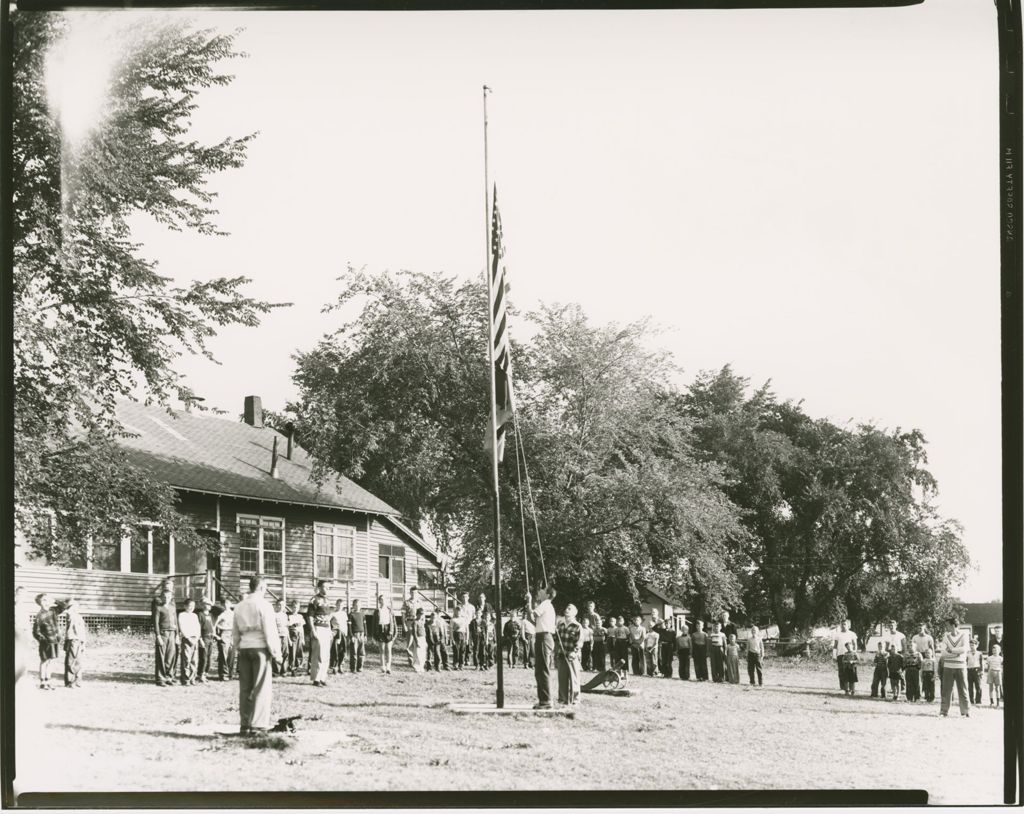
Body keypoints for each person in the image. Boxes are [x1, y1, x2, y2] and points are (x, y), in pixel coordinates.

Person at [231, 574, 283, 736]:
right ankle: (258, 725)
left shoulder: (239, 606)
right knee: (261, 687)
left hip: (245, 647)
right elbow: (270, 631)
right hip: (260, 647)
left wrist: (238, 646)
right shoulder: (265, 605)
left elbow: (235, 631)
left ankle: (245, 724)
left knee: (245, 688)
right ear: (261, 587)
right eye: (265, 588)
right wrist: (276, 653)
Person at [525, 583, 557, 710]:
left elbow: (532, 615)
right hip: (541, 637)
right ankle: (543, 700)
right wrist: (529, 604)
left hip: (544, 638)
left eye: (543, 590)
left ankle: (546, 701)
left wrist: (529, 601)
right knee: (539, 670)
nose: (540, 591)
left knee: (543, 670)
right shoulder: (545, 605)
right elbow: (531, 619)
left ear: (548, 594)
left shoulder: (545, 604)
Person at [939, 616, 970, 718]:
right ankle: (943, 712)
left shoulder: (964, 635)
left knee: (963, 689)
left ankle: (965, 712)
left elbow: (964, 649)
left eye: (947, 625)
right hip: (948, 666)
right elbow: (943, 653)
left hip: (961, 666)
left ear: (953, 625)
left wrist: (951, 650)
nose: (946, 627)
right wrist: (956, 653)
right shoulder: (945, 636)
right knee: (946, 690)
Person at [555, 603, 583, 706]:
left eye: (570, 609)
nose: (567, 610)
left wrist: (574, 652)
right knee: (562, 679)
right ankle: (562, 699)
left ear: (575, 613)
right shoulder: (561, 625)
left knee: (574, 678)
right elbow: (557, 640)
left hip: (572, 657)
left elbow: (580, 641)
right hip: (562, 655)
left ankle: (575, 700)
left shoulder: (577, 626)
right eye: (566, 608)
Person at [32, 593, 61, 691]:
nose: (46, 602)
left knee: (51, 661)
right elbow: (36, 632)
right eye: (43, 600)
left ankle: (48, 681)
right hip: (46, 643)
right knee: (44, 661)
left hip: (54, 641)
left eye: (47, 600)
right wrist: (43, 640)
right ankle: (42, 682)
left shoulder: (53, 611)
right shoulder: (39, 616)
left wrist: (54, 600)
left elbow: (65, 605)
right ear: (39, 603)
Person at [306, 581, 332, 687]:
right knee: (318, 654)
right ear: (319, 588)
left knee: (326, 655)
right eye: (325, 587)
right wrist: (313, 630)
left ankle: (322, 677)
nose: (327, 589)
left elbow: (328, 617)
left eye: (328, 587)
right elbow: (310, 616)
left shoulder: (328, 600)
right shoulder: (314, 600)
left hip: (326, 629)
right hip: (318, 628)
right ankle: (316, 679)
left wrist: (330, 630)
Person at [153, 588, 179, 688]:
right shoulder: (158, 607)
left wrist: (177, 635)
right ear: (161, 597)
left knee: (170, 656)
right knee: (161, 656)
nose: (166, 598)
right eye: (164, 596)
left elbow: (175, 621)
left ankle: (169, 677)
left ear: (171, 597)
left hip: (172, 633)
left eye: (168, 597)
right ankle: (160, 678)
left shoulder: (172, 607)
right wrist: (158, 636)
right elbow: (156, 623)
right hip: (163, 633)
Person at [61, 597, 87, 689]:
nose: (77, 606)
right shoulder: (70, 614)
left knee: (78, 661)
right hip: (73, 639)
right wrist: (69, 606)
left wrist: (83, 641)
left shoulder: (78, 616)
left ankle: (77, 680)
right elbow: (69, 613)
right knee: (71, 661)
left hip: (79, 640)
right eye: (74, 605)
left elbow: (82, 630)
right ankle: (70, 681)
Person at [177, 598, 201, 686]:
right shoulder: (182, 615)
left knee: (194, 660)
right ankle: (185, 679)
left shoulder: (195, 616)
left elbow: (198, 627)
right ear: (185, 606)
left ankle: (192, 678)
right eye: (189, 606)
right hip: (187, 639)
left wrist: (197, 638)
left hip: (195, 640)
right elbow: (182, 627)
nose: (191, 608)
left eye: (193, 606)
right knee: (186, 659)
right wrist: (188, 638)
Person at [831, 620, 858, 691]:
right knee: (841, 671)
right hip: (840, 654)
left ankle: (851, 687)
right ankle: (843, 687)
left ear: (849, 625)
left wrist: (854, 653)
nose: (843, 626)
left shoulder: (852, 634)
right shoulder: (838, 634)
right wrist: (834, 655)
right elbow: (835, 645)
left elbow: (855, 644)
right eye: (842, 624)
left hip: (850, 655)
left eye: (845, 624)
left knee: (851, 671)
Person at [373, 594, 396, 674]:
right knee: (382, 649)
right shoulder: (377, 611)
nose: (382, 601)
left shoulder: (390, 610)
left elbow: (394, 622)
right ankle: (382, 666)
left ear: (386, 600)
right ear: (379, 601)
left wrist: (394, 632)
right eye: (381, 599)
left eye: (384, 599)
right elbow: (374, 623)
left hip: (388, 630)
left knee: (389, 649)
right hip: (380, 629)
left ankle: (388, 666)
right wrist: (374, 634)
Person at [215, 600, 235, 681]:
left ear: (230, 604)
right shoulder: (221, 614)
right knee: (224, 654)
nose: (226, 605)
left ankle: (230, 674)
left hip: (232, 633)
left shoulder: (234, 614)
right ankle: (223, 674)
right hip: (224, 633)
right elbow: (215, 624)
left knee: (231, 654)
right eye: (224, 604)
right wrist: (216, 635)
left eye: (227, 603)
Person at [197, 599, 216, 683]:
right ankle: (200, 674)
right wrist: (200, 639)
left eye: (210, 605)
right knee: (203, 657)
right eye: (207, 604)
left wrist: (214, 635)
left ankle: (205, 674)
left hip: (210, 637)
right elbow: (198, 628)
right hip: (204, 637)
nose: (209, 606)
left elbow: (212, 626)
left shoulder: (211, 615)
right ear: (203, 605)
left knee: (208, 657)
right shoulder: (200, 615)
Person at [330, 599, 349, 676]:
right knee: (335, 650)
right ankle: (334, 667)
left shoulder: (344, 614)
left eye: (341, 605)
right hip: (336, 633)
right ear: (336, 605)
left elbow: (345, 623)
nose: (339, 606)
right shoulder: (333, 613)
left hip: (343, 633)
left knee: (343, 650)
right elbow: (329, 623)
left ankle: (340, 665)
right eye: (338, 605)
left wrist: (346, 632)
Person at [401, 587, 419, 668]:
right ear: (410, 593)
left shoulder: (419, 602)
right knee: (410, 642)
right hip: (409, 622)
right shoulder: (406, 602)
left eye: (415, 593)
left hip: (417, 623)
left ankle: (417, 660)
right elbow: (403, 614)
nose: (413, 594)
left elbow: (423, 614)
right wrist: (404, 624)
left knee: (417, 641)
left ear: (417, 593)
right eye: (412, 592)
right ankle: (411, 660)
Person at [286, 602, 305, 677]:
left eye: (297, 607)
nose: (295, 608)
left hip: (300, 635)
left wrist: (303, 639)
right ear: (291, 607)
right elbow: (287, 628)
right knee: (292, 652)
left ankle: (298, 667)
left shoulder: (300, 616)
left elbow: (302, 628)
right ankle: (292, 668)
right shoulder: (289, 616)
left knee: (299, 651)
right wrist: (289, 639)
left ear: (299, 608)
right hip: (293, 635)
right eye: (294, 607)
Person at [348, 598, 368, 673]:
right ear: (353, 606)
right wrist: (351, 636)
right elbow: (349, 626)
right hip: (355, 635)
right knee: (354, 652)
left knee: (361, 652)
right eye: (356, 605)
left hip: (361, 634)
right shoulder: (351, 614)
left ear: (361, 605)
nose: (357, 606)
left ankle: (360, 667)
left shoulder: (362, 614)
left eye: (359, 605)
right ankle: (353, 668)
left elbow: (365, 625)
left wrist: (365, 635)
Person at [452, 605, 469, 670]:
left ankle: (461, 664)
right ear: (455, 611)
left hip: (463, 635)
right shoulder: (453, 619)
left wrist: (467, 638)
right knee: (456, 650)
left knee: (462, 650)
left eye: (459, 611)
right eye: (457, 611)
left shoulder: (464, 619)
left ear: (461, 612)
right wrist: (452, 639)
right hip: (456, 635)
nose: (458, 612)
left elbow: (467, 629)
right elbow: (451, 630)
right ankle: (455, 664)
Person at [410, 607, 427, 672]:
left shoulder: (422, 622)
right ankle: (416, 666)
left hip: (423, 638)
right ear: (417, 614)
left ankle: (421, 666)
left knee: (423, 653)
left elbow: (424, 631)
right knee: (417, 653)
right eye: (419, 614)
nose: (420, 616)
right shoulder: (415, 622)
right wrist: (416, 641)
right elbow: (414, 632)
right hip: (418, 638)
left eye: (422, 614)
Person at [966, 639, 983, 705]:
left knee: (978, 686)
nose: (971, 646)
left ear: (977, 645)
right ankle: (971, 700)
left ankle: (978, 700)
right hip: (969, 670)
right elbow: (966, 662)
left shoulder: (979, 653)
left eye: (973, 645)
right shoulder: (967, 653)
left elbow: (982, 663)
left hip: (977, 670)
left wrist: (981, 671)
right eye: (970, 645)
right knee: (970, 686)